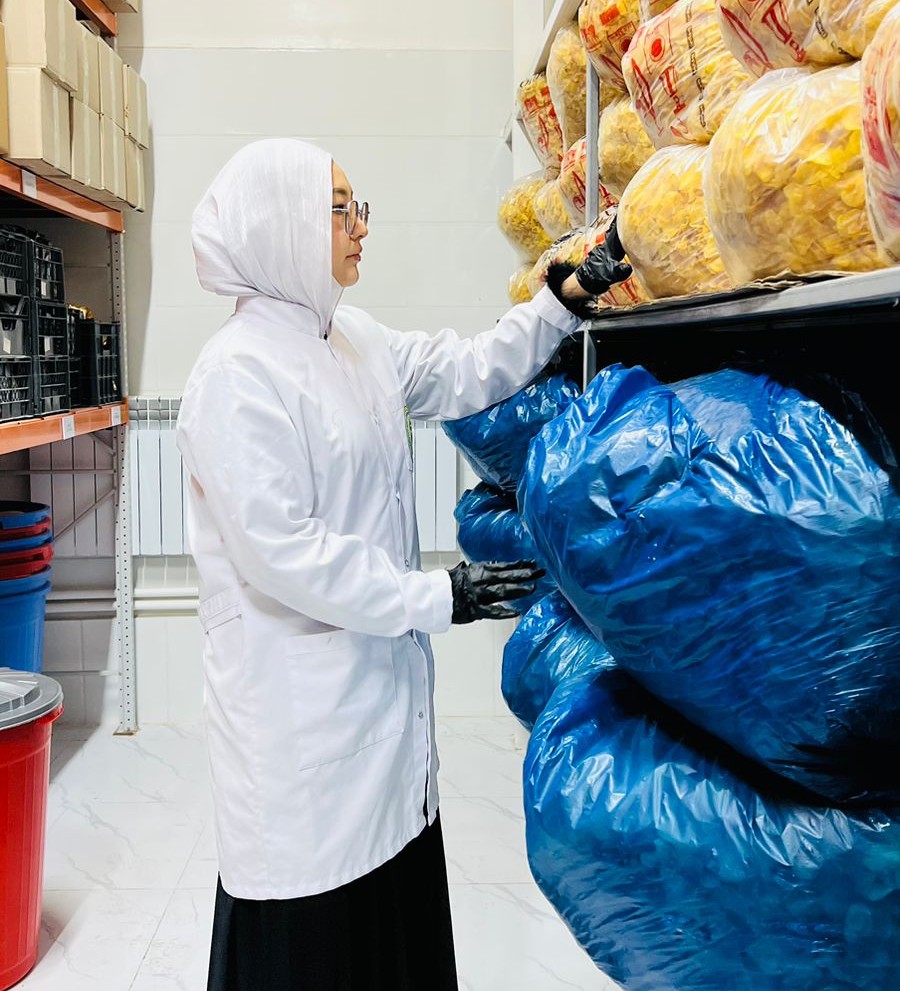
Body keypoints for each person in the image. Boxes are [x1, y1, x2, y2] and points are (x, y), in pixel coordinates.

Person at [175, 137, 631, 991]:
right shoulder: (234, 377)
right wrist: (439, 595)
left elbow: (466, 370)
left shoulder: (355, 339)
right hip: (301, 730)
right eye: (340, 209)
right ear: (281, 226)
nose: (361, 227)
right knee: (313, 941)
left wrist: (558, 301)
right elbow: (287, 557)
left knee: (390, 920)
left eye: (359, 208)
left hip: (382, 720)